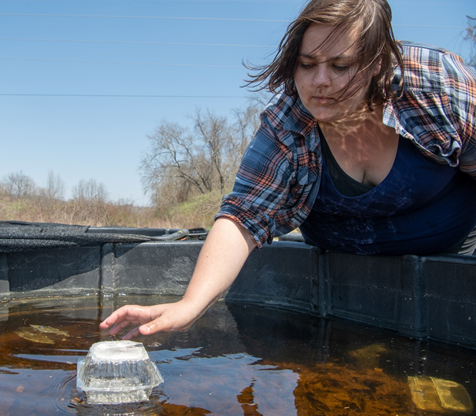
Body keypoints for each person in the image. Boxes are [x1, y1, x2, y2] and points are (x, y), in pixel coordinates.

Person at [100, 0, 476, 339]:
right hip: (344, 290)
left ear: (378, 63)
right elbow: (243, 217)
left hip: (452, 262)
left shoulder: (434, 86)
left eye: (340, 66)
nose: (319, 81)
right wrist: (191, 304)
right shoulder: (286, 126)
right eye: (307, 64)